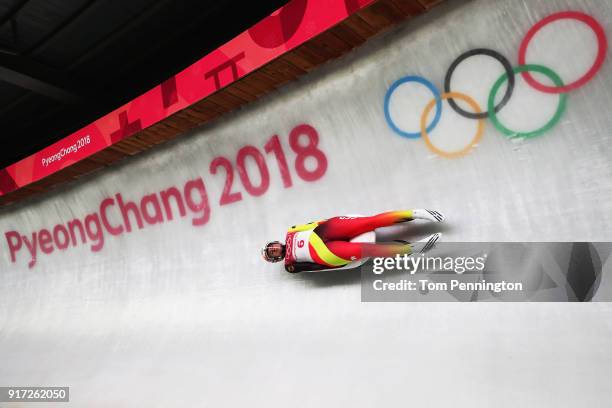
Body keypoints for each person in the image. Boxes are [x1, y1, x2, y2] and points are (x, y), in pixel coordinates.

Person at [261, 209, 445, 273]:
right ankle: (411, 249)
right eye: (273, 253)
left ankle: (415, 213)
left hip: (325, 230)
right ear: (276, 259)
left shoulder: (291, 231)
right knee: (368, 250)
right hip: (324, 254)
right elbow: (315, 268)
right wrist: (339, 266)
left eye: (272, 247)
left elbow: (316, 223)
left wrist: (340, 219)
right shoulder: (289, 265)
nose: (275, 249)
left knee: (369, 222)